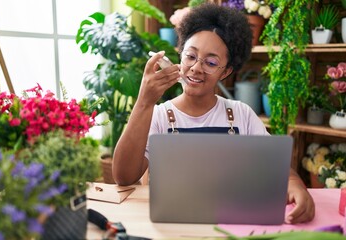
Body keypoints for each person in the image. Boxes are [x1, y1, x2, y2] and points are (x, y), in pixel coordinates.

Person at [113, 3, 315, 224]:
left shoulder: (241, 114)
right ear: (180, 55)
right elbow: (124, 177)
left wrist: (295, 185)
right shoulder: (159, 115)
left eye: (210, 62)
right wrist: (144, 102)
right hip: (171, 224)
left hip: (230, 223)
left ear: (226, 71)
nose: (196, 68)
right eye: (190, 56)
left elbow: (275, 168)